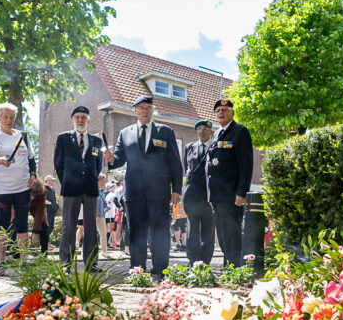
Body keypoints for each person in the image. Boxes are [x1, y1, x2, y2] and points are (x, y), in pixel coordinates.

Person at [105, 96, 182, 278]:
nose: (145, 111)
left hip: (159, 191)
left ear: (153, 110)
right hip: (134, 191)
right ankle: (137, 268)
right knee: (136, 230)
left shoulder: (166, 132)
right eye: (141, 107)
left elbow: (175, 163)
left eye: (148, 107)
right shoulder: (125, 133)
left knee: (159, 230)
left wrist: (176, 189)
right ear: (135, 110)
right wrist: (111, 159)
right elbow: (119, 159)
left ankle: (160, 268)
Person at [0, 103, 36, 265]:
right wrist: (0, 160)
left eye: (11, 117)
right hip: (2, 188)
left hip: (23, 187)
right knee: (2, 226)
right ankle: (2, 262)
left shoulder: (23, 136)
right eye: (5, 117)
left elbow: (31, 159)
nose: (9, 120)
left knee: (22, 225)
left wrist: (33, 175)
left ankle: (23, 262)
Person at [53, 106, 105, 270]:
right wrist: (67, 181)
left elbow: (98, 165)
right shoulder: (63, 138)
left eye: (83, 117)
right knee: (69, 226)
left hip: (90, 188)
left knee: (91, 227)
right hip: (71, 188)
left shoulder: (97, 141)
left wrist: (91, 178)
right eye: (77, 117)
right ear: (72, 120)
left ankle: (91, 263)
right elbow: (58, 163)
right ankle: (65, 263)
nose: (80, 120)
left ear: (89, 120)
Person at [206, 99, 253, 267]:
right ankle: (229, 267)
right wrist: (210, 194)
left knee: (232, 234)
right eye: (218, 110)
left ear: (232, 113)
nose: (221, 113)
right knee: (223, 234)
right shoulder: (216, 134)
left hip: (232, 194)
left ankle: (235, 269)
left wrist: (241, 192)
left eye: (225, 110)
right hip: (217, 195)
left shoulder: (240, 131)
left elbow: (246, 165)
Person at [182, 119, 215, 265]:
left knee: (208, 231)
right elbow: (187, 169)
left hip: (208, 195)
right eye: (199, 129)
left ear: (211, 131)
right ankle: (193, 260)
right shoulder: (189, 147)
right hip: (191, 194)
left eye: (205, 128)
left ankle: (205, 262)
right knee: (192, 230)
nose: (201, 131)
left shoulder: (215, 147)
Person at [40, 175, 59, 254]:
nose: (52, 181)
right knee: (46, 227)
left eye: (53, 180)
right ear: (47, 180)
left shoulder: (53, 189)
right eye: (51, 180)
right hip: (47, 210)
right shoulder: (44, 188)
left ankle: (47, 242)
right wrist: (47, 202)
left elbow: (53, 198)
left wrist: (56, 204)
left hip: (52, 211)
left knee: (51, 226)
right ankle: (44, 244)